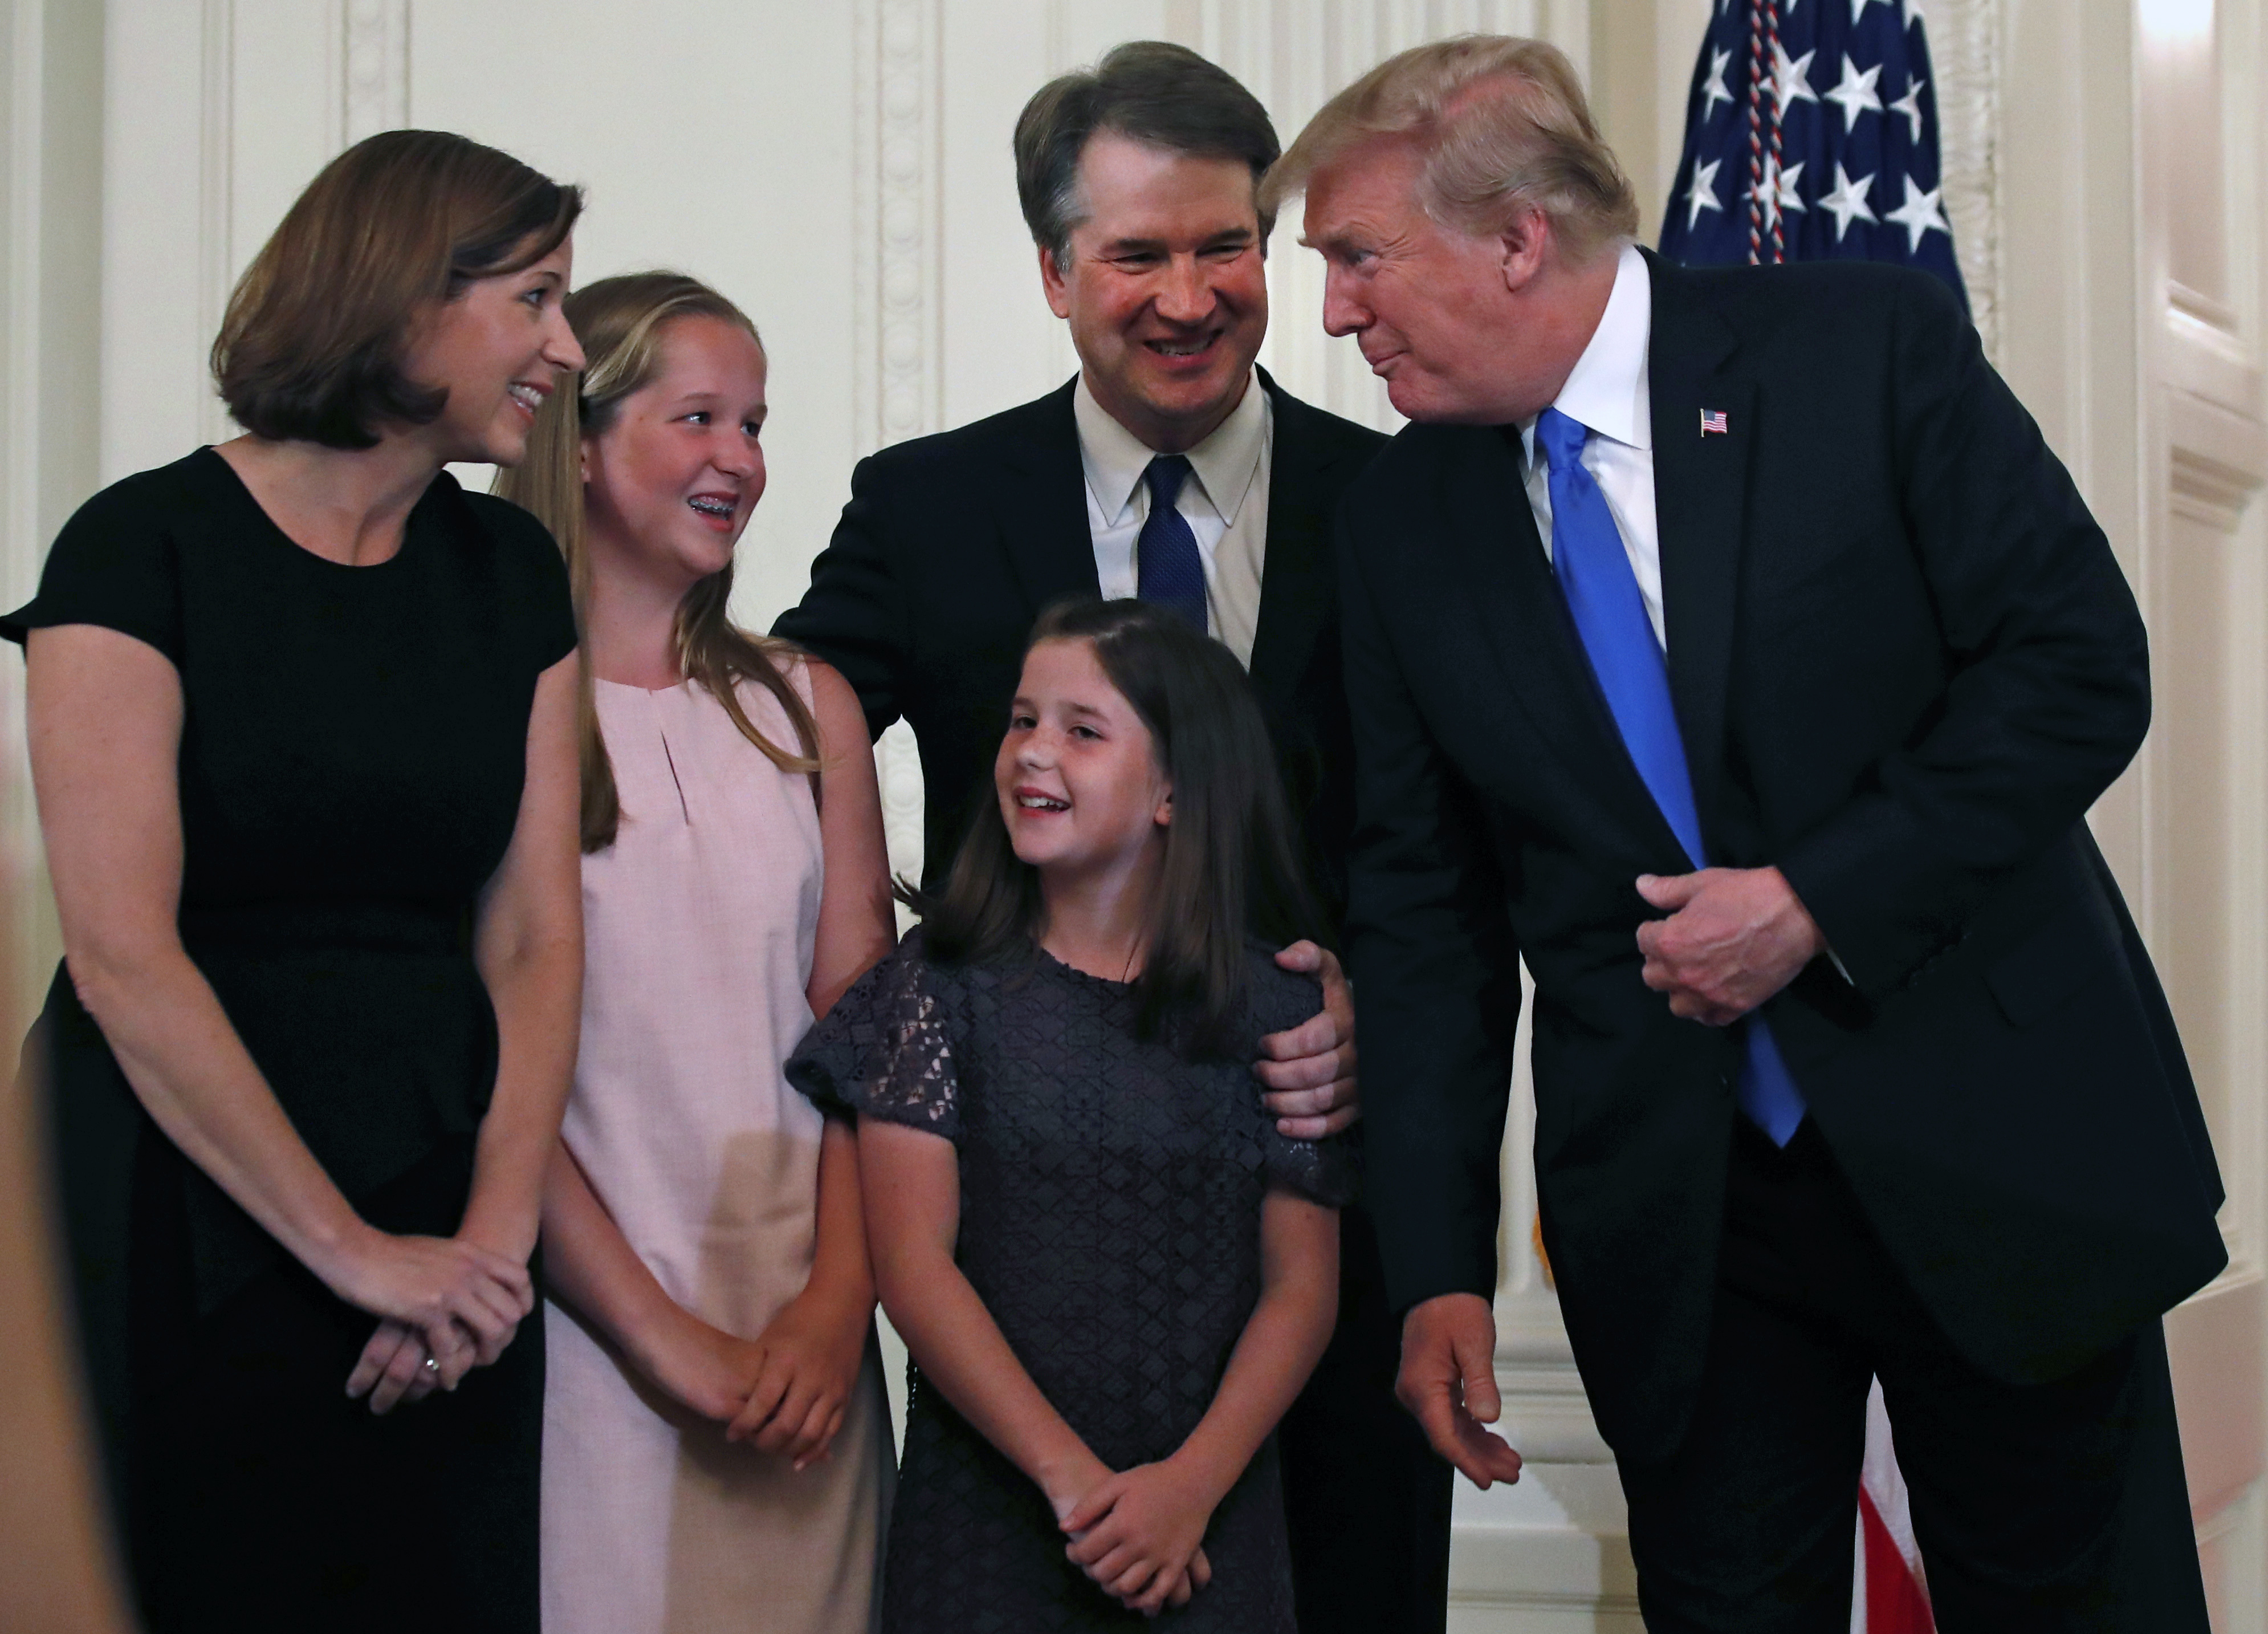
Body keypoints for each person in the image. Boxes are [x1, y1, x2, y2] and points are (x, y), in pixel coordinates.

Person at [1269, 35, 2225, 1632]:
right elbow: (1425, 913)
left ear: (1515, 238)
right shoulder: (1398, 519)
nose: (1334, 312)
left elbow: (2076, 668)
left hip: (1989, 1140)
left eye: (1360, 257)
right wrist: (1434, 1261)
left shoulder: (1859, 351)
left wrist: (1814, 900)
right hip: (1684, 1214)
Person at [774, 43, 1452, 1629]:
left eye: (1226, 246)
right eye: (1138, 254)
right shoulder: (925, 504)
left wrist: (1380, 1006)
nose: (1188, 297)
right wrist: (859, 942)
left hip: (1324, 1203)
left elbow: (1476, 839)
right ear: (1055, 272)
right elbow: (781, 725)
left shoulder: (1408, 504)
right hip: (1025, 1259)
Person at [4, 129, 586, 1631]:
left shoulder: (514, 572)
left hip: (443, 1171)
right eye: (533, 299)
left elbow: (536, 934)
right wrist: (351, 1253)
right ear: (404, 296)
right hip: (177, 1184)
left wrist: (485, 1248)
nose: (567, 348)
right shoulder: (137, 548)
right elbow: (123, 954)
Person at [788, 599, 1350, 1629]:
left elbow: (1302, 1288)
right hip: (988, 1524)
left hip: (1206, 1525)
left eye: (1082, 730)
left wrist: (1188, 1488)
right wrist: (1078, 1487)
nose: (1034, 751)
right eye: (1022, 720)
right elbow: (914, 1267)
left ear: (1176, 788)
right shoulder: (935, 988)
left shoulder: (1279, 1008)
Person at [494, 272, 894, 1633]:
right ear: (579, 443)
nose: (741, 458)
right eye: (699, 417)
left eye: (755, 423)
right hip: (583, 1333)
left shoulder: (807, 704)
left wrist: (836, 1304)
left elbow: (867, 1035)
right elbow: (488, 1067)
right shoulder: (493, 712)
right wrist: (659, 1337)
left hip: (805, 1339)